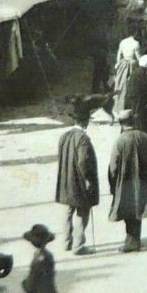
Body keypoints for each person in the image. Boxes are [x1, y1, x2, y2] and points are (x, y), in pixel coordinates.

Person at [107, 109, 147, 252]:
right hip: (142, 180)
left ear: (122, 124)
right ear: (133, 122)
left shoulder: (120, 140)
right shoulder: (145, 137)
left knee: (127, 210)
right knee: (138, 209)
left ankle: (131, 242)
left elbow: (113, 165)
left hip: (125, 182)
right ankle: (135, 239)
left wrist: (112, 183)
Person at [55, 97, 100, 255]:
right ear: (86, 121)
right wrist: (88, 180)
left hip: (65, 180)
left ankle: (66, 242)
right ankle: (78, 245)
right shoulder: (83, 139)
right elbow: (83, 162)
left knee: (67, 211)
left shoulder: (64, 136)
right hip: (78, 182)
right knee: (82, 211)